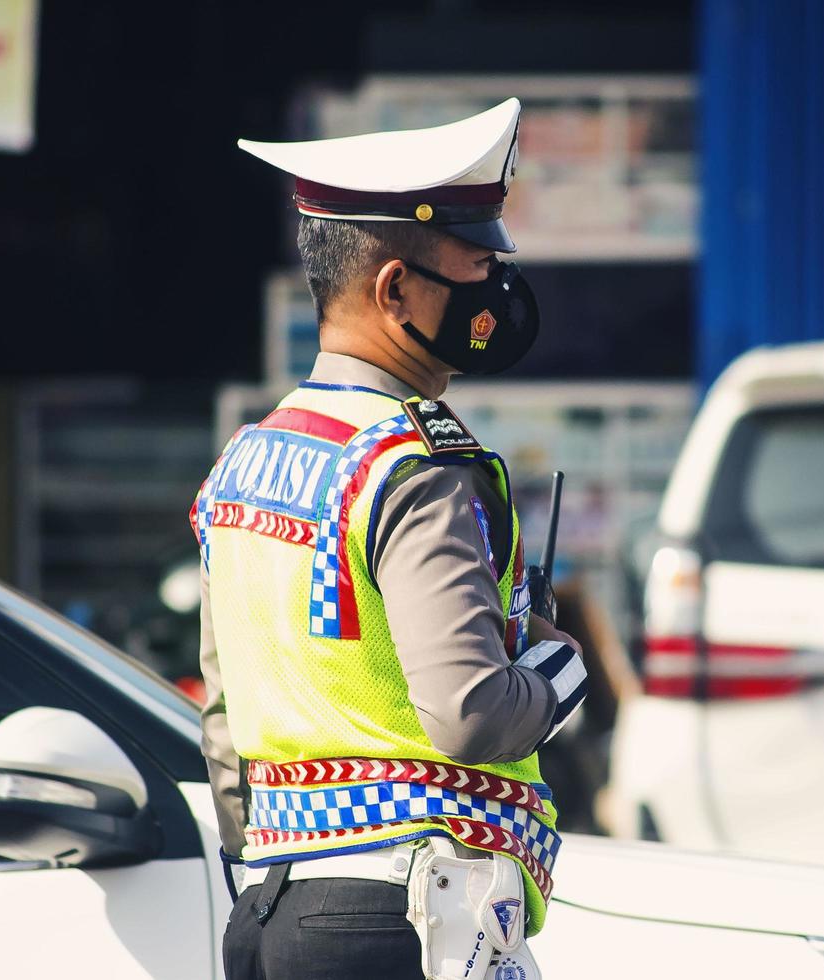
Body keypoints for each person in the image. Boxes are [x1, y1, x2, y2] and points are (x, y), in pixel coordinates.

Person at [190, 98, 588, 980]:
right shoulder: (416, 467)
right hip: (402, 917)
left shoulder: (244, 463)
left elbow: (225, 725)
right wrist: (563, 669)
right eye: (478, 262)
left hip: (271, 911)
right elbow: (471, 711)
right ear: (395, 288)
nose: (497, 285)